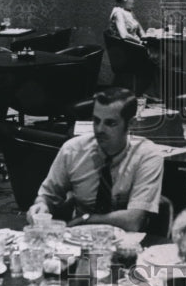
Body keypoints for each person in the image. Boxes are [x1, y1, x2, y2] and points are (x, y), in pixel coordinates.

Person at [27, 88, 163, 232]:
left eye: (110, 123)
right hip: (79, 240)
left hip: (129, 243)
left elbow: (133, 221)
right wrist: (41, 206)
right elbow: (48, 196)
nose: (99, 129)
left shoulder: (147, 156)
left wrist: (86, 220)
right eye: (96, 121)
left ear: (131, 124)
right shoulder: (73, 150)